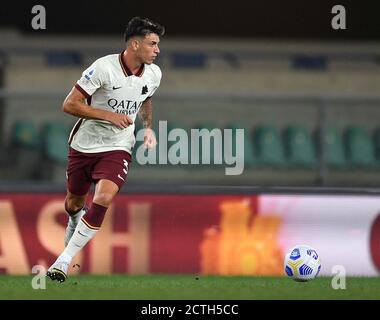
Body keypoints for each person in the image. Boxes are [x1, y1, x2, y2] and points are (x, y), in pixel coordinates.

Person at [46, 17, 165, 282]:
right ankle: (75, 220)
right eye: (152, 44)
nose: (157, 50)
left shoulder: (154, 73)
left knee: (103, 197)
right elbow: (69, 104)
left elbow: (145, 98)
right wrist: (108, 115)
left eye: (158, 44)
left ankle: (63, 261)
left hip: (118, 146)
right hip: (84, 145)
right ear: (135, 44)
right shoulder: (103, 68)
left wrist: (147, 127)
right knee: (74, 203)